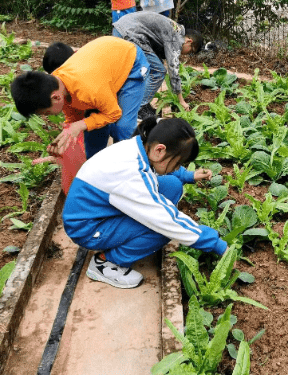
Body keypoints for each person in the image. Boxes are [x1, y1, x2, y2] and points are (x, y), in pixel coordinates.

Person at [62, 117, 228, 288]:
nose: (177, 168)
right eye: (177, 163)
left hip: (98, 210)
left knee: (172, 185)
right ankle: (106, 263)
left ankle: (129, 240)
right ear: (159, 150)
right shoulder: (132, 174)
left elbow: (158, 169)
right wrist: (217, 245)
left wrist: (187, 176)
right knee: (163, 228)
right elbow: (164, 219)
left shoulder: (137, 147)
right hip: (87, 228)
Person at [10, 36, 149, 159]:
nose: (46, 116)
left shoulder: (89, 90)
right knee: (92, 123)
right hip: (104, 64)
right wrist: (67, 137)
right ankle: (94, 163)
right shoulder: (57, 84)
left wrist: (81, 124)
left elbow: (113, 113)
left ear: (56, 98)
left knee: (123, 127)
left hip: (131, 63)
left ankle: (130, 164)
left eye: (46, 112)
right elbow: (75, 118)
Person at [113, 11, 204, 119]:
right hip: (129, 33)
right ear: (189, 41)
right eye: (191, 51)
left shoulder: (175, 30)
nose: (187, 54)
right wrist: (181, 100)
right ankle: (139, 108)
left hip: (124, 29)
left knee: (154, 66)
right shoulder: (176, 37)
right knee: (159, 70)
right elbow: (173, 69)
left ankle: (141, 104)